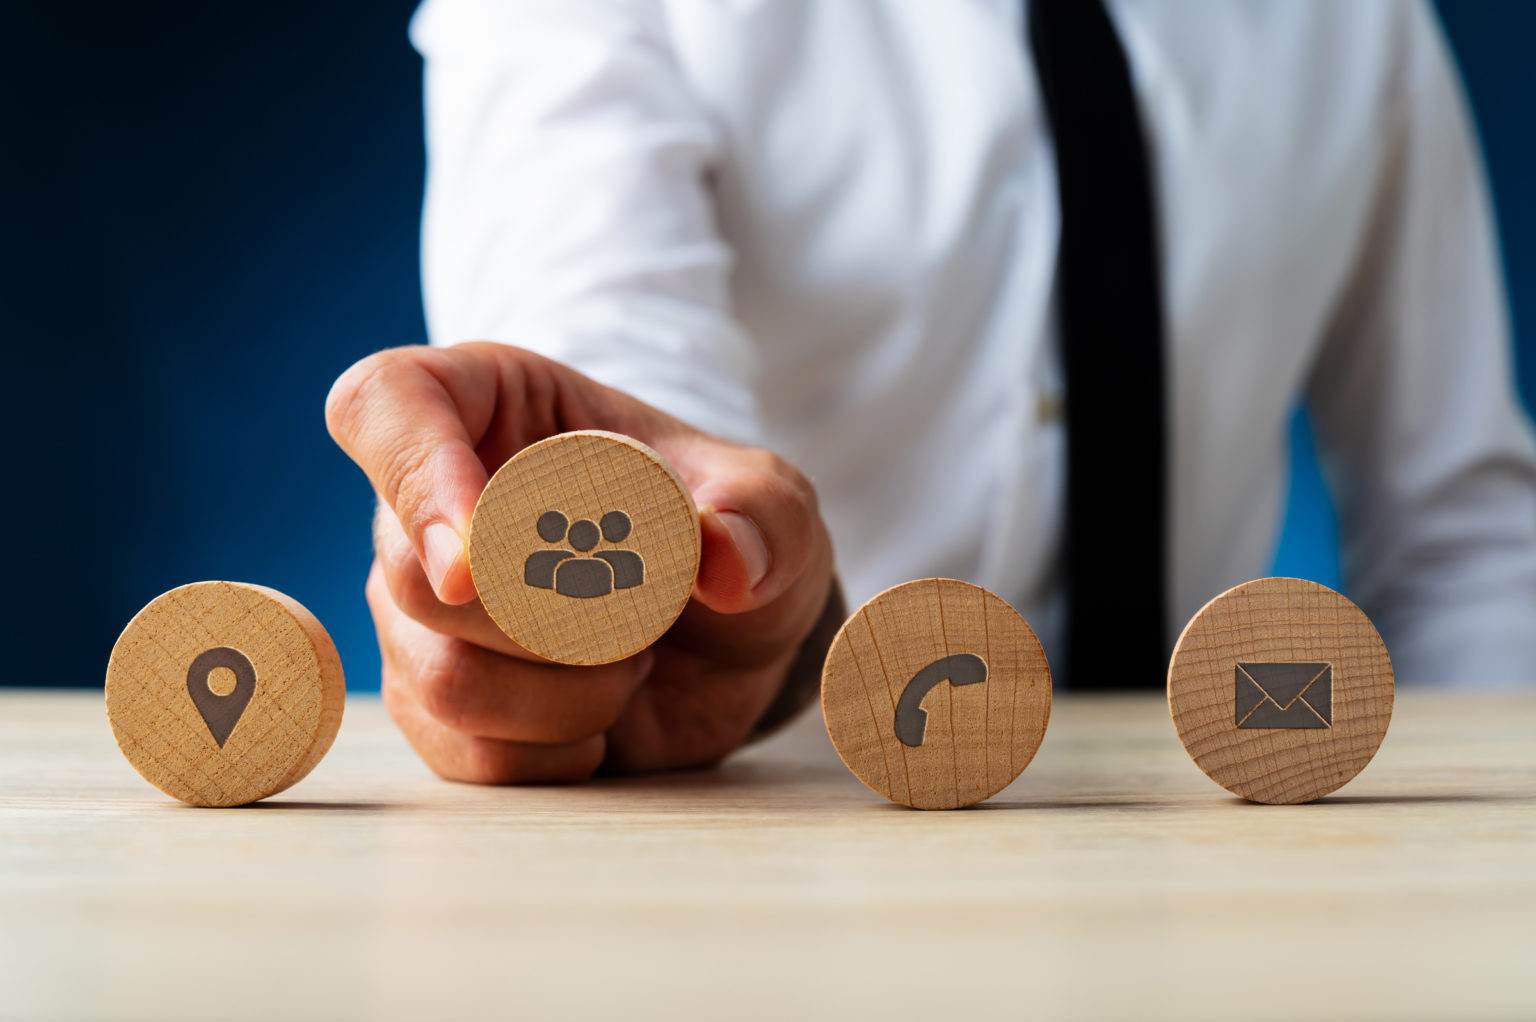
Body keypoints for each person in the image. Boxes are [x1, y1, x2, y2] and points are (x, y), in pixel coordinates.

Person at [326, 0, 1536, 784]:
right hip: (793, 816)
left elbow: (1464, 537)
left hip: (1224, 811)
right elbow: (627, 433)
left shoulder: (1356, 24)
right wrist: (640, 623)